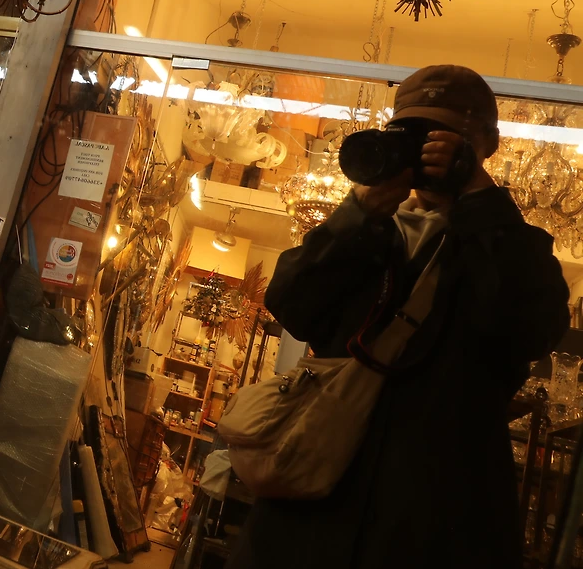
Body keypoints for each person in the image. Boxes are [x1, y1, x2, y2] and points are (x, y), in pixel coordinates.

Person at [228, 65, 569, 569]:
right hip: (312, 507)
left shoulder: (507, 246)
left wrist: (482, 201)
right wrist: (355, 216)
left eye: (445, 139)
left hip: (434, 520)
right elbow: (291, 303)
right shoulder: (370, 233)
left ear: (486, 146)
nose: (428, 153)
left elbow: (532, 331)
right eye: (412, 136)